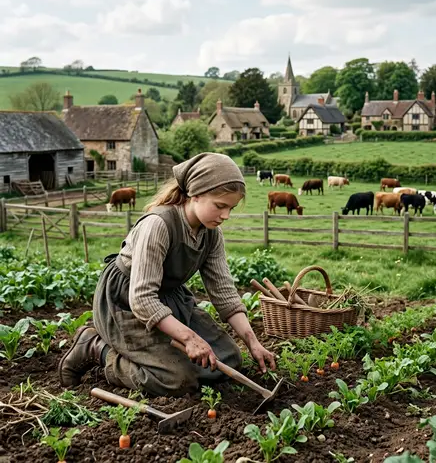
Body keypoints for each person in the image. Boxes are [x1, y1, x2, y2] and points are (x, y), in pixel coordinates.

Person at [58, 153, 276, 396]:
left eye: (231, 208)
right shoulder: (158, 225)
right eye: (220, 206)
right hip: (126, 302)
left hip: (168, 299)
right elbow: (141, 299)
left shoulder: (211, 234)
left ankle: (164, 358)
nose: (225, 216)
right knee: (177, 380)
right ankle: (96, 348)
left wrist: (252, 342)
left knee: (229, 359)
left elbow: (224, 293)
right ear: (196, 194)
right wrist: (189, 338)